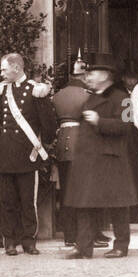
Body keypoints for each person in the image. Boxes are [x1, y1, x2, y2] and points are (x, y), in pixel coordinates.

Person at [64, 52, 137, 259]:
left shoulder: (123, 98)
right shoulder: (91, 97)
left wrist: (99, 121)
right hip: (89, 160)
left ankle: (121, 246)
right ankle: (83, 247)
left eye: (93, 72)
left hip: (110, 159)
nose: (88, 76)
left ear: (105, 75)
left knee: (118, 205)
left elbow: (126, 126)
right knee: (85, 203)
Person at [0, 52, 57, 255]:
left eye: (4, 68)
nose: (1, 72)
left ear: (16, 68)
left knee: (28, 201)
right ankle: (10, 241)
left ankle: (29, 240)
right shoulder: (3, 90)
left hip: (27, 155)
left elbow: (48, 124)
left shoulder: (35, 91)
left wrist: (42, 145)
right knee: (7, 202)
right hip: (6, 155)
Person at [53, 53, 91, 247]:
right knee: (83, 192)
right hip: (82, 145)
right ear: (84, 75)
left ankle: (69, 234)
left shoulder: (58, 95)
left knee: (66, 191)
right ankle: (84, 235)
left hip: (62, 145)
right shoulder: (88, 95)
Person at [122, 64, 138, 222]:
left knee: (137, 176)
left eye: (134, 78)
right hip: (124, 138)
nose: (132, 81)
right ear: (123, 78)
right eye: (129, 78)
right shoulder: (120, 94)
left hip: (137, 140)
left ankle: (137, 213)